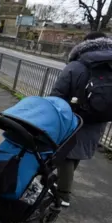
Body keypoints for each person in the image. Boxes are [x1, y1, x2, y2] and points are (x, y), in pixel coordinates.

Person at [50, 32, 112, 207]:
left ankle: (62, 195)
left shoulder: (77, 65)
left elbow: (57, 94)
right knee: (77, 152)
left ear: (85, 44)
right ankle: (61, 183)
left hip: (73, 116)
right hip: (100, 119)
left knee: (67, 154)